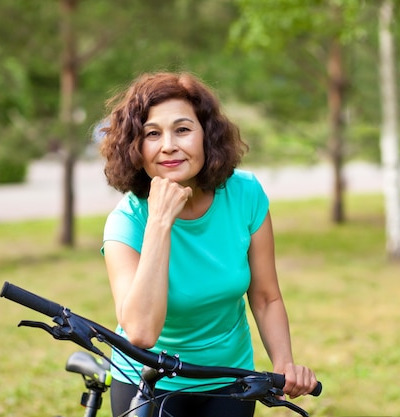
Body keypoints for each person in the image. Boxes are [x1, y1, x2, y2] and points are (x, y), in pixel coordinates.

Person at [99, 71, 318, 417]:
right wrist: (159, 222)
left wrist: (284, 363)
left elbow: (265, 296)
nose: (168, 144)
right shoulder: (126, 221)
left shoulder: (245, 195)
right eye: (152, 134)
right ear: (136, 148)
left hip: (227, 378)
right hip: (147, 380)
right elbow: (140, 332)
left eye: (182, 129)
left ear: (207, 136)